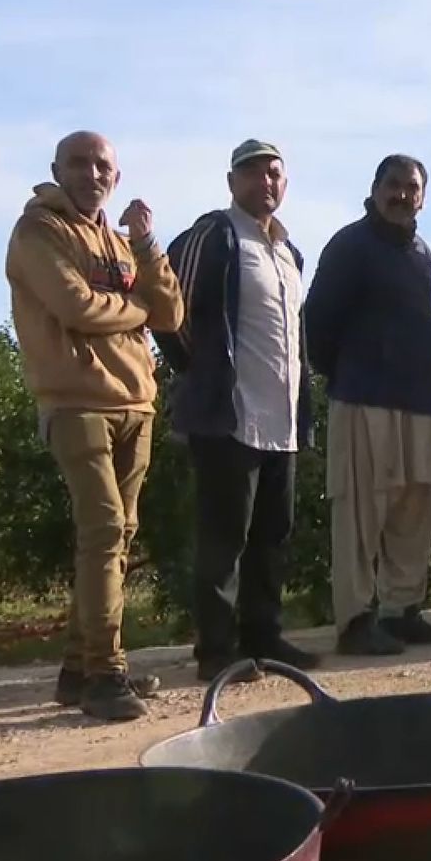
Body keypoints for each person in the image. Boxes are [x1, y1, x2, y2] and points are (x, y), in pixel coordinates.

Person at [8, 131, 182, 720]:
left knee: (118, 536)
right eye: (78, 164)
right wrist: (138, 311)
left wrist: (148, 242)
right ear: (57, 170)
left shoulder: (118, 241)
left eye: (102, 164)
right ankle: (107, 674)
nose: (91, 173)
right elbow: (76, 306)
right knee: (105, 529)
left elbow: (173, 312)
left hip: (137, 402)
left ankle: (79, 669)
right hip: (75, 401)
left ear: (117, 175)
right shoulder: (39, 232)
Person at [161, 139, 323, 678]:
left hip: (282, 419)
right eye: (253, 174)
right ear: (232, 182)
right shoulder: (216, 234)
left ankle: (263, 636)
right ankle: (215, 649)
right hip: (230, 415)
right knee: (224, 538)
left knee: (272, 535)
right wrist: (202, 370)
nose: (266, 183)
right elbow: (171, 311)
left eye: (275, 174)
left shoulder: (288, 252)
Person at [303, 154, 431, 656]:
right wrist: (345, 373)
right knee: (361, 510)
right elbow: (319, 323)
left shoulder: (423, 254)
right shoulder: (350, 245)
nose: (402, 194)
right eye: (394, 185)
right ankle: (355, 619)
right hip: (363, 394)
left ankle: (402, 609)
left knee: (413, 508)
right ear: (375, 187)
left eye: (412, 187)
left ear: (423, 197)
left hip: (416, 400)